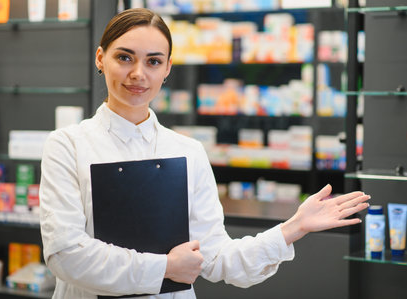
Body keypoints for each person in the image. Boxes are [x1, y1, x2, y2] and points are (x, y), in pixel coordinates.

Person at [39, 7, 370, 299]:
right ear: (101, 58)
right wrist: (166, 267)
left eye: (153, 61)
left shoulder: (187, 151)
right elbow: (66, 255)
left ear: (167, 68)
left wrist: (292, 228)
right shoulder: (68, 145)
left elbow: (216, 258)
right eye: (125, 57)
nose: (139, 73)